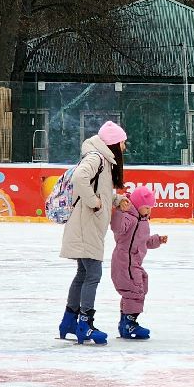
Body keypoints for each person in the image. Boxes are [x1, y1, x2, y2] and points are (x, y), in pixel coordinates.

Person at [59, 120, 127, 345]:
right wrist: (95, 203)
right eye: (123, 142)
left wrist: (115, 199)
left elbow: (100, 190)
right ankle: (84, 324)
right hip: (86, 225)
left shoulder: (103, 160)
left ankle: (69, 321)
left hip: (87, 224)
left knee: (83, 273)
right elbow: (80, 178)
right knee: (93, 275)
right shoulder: (96, 158)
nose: (125, 147)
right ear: (114, 143)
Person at [110, 184, 167, 340]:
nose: (149, 211)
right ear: (137, 204)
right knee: (134, 290)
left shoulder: (142, 220)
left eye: (150, 208)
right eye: (146, 207)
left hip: (133, 262)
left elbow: (144, 242)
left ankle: (125, 323)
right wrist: (121, 211)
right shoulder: (129, 216)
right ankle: (129, 323)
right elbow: (117, 227)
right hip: (125, 261)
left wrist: (157, 240)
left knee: (139, 286)